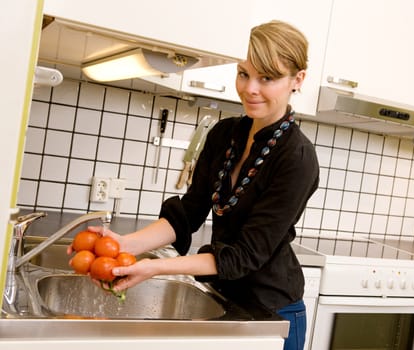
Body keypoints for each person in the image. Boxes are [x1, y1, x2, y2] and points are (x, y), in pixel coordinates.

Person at [84, 20, 319, 350]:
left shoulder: (297, 157)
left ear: (298, 79)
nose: (250, 88)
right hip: (225, 300)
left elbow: (242, 256)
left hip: (272, 313)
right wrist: (124, 245)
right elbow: (188, 213)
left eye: (267, 77)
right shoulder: (225, 135)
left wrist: (154, 267)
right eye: (243, 73)